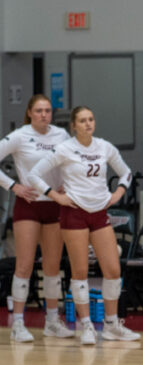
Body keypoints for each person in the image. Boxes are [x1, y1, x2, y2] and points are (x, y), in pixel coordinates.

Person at [29, 106, 140, 345]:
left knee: (113, 270)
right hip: (74, 213)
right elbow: (34, 175)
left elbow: (126, 173)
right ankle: (87, 325)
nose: (88, 123)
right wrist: (55, 196)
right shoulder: (65, 149)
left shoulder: (104, 146)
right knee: (79, 272)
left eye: (91, 119)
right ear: (73, 126)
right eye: (82, 120)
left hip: (100, 213)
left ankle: (111, 325)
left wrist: (118, 193)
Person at [0, 95, 72, 342]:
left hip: (54, 205)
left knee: (52, 266)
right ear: (30, 113)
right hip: (28, 206)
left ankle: (52, 320)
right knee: (24, 264)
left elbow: (71, 163)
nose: (44, 114)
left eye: (48, 110)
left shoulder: (61, 135)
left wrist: (67, 185)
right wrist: (13, 186)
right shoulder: (20, 136)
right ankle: (18, 324)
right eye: (39, 110)